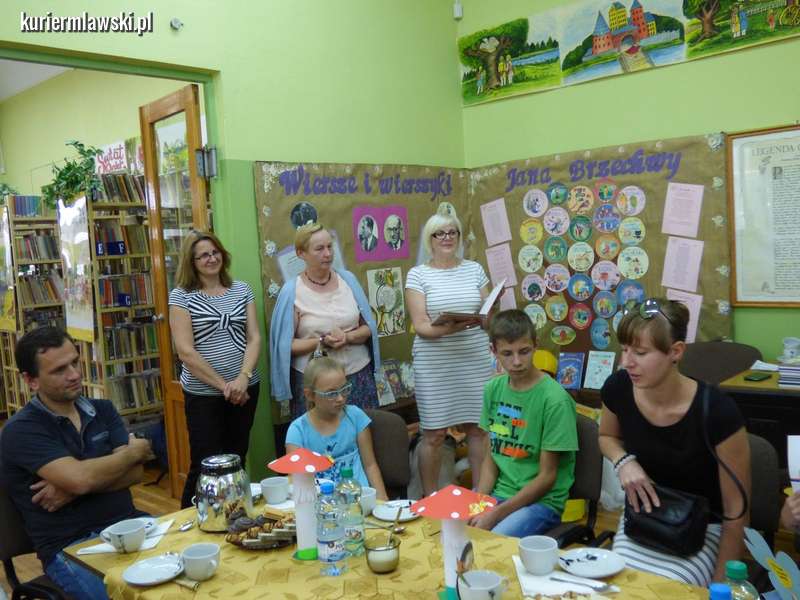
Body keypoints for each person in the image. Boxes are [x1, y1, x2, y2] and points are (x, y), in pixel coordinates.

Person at [599, 298, 749, 586]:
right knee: (617, 588)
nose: (627, 362)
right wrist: (623, 461)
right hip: (644, 519)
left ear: (675, 352)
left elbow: (736, 514)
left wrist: (720, 587)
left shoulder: (718, 412)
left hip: (703, 529)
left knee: (667, 589)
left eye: (640, 352)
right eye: (624, 349)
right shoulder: (618, 388)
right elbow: (607, 437)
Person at [0, 327, 154, 600]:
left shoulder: (103, 409)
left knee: (204, 573)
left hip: (131, 524)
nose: (74, 374)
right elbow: (83, 479)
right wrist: (134, 452)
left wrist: (72, 489)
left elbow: (135, 474)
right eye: (59, 370)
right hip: (72, 546)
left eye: (75, 362)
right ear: (31, 380)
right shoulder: (21, 430)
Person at [169, 230, 261, 508]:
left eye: (215, 252)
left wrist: (242, 378)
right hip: (204, 394)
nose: (211, 259)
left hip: (245, 389)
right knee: (204, 464)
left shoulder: (242, 290)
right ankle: (188, 523)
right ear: (192, 262)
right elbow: (185, 351)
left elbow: (254, 338)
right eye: (203, 256)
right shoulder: (181, 296)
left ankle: (233, 518)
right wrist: (225, 386)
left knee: (237, 458)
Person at [270, 222, 381, 448]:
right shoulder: (292, 291)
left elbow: (367, 328)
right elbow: (285, 347)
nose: (328, 254)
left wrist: (347, 338)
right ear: (301, 253)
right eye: (319, 249)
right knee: (320, 447)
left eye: (330, 247)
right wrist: (321, 342)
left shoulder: (348, 280)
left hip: (356, 377)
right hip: (316, 384)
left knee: (361, 443)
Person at [405, 213, 493, 497]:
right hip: (435, 364)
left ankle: (479, 495)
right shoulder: (418, 275)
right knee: (433, 434)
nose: (447, 238)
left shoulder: (475, 269)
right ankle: (431, 499)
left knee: (478, 430)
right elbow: (421, 326)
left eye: (452, 232)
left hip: (474, 357)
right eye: (439, 233)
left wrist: (487, 317)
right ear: (430, 239)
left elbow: (489, 314)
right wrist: (451, 328)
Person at [470, 309, 577, 537]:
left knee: (489, 541)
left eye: (524, 351)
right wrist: (481, 502)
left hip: (541, 502)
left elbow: (547, 477)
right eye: (507, 354)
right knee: (451, 531)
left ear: (536, 345)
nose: (517, 362)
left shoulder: (555, 400)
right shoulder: (493, 389)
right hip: (500, 494)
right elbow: (492, 457)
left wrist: (495, 514)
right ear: (493, 351)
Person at [286, 356, 388, 499]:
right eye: (331, 393)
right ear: (310, 395)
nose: (340, 398)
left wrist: (383, 502)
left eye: (344, 389)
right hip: (322, 505)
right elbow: (296, 480)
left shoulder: (356, 417)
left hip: (359, 501)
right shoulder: (298, 430)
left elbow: (370, 465)